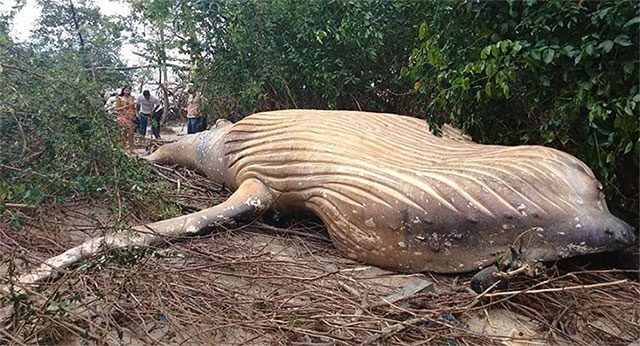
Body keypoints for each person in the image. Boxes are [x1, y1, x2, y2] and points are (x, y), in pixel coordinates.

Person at [114, 86, 137, 152]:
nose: (127, 92)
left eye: (128, 90)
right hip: (122, 117)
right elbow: (116, 108)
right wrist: (124, 107)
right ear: (123, 91)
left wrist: (134, 114)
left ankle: (131, 149)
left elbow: (134, 108)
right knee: (123, 134)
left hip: (130, 118)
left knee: (131, 134)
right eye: (126, 90)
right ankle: (123, 149)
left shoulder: (131, 98)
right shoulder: (119, 98)